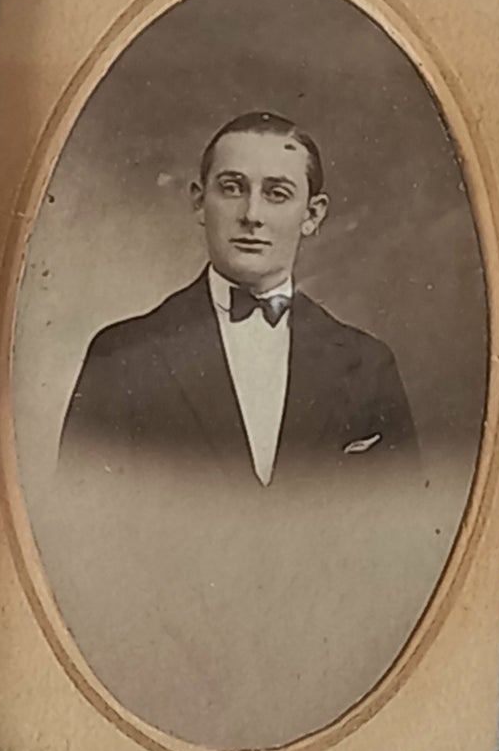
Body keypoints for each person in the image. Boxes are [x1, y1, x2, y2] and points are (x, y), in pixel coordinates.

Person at [58, 110, 416, 485]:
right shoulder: (122, 357)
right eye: (232, 188)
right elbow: (81, 524)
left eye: (277, 194)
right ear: (199, 201)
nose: (252, 214)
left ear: (312, 214)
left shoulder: (367, 366)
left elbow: (403, 527)